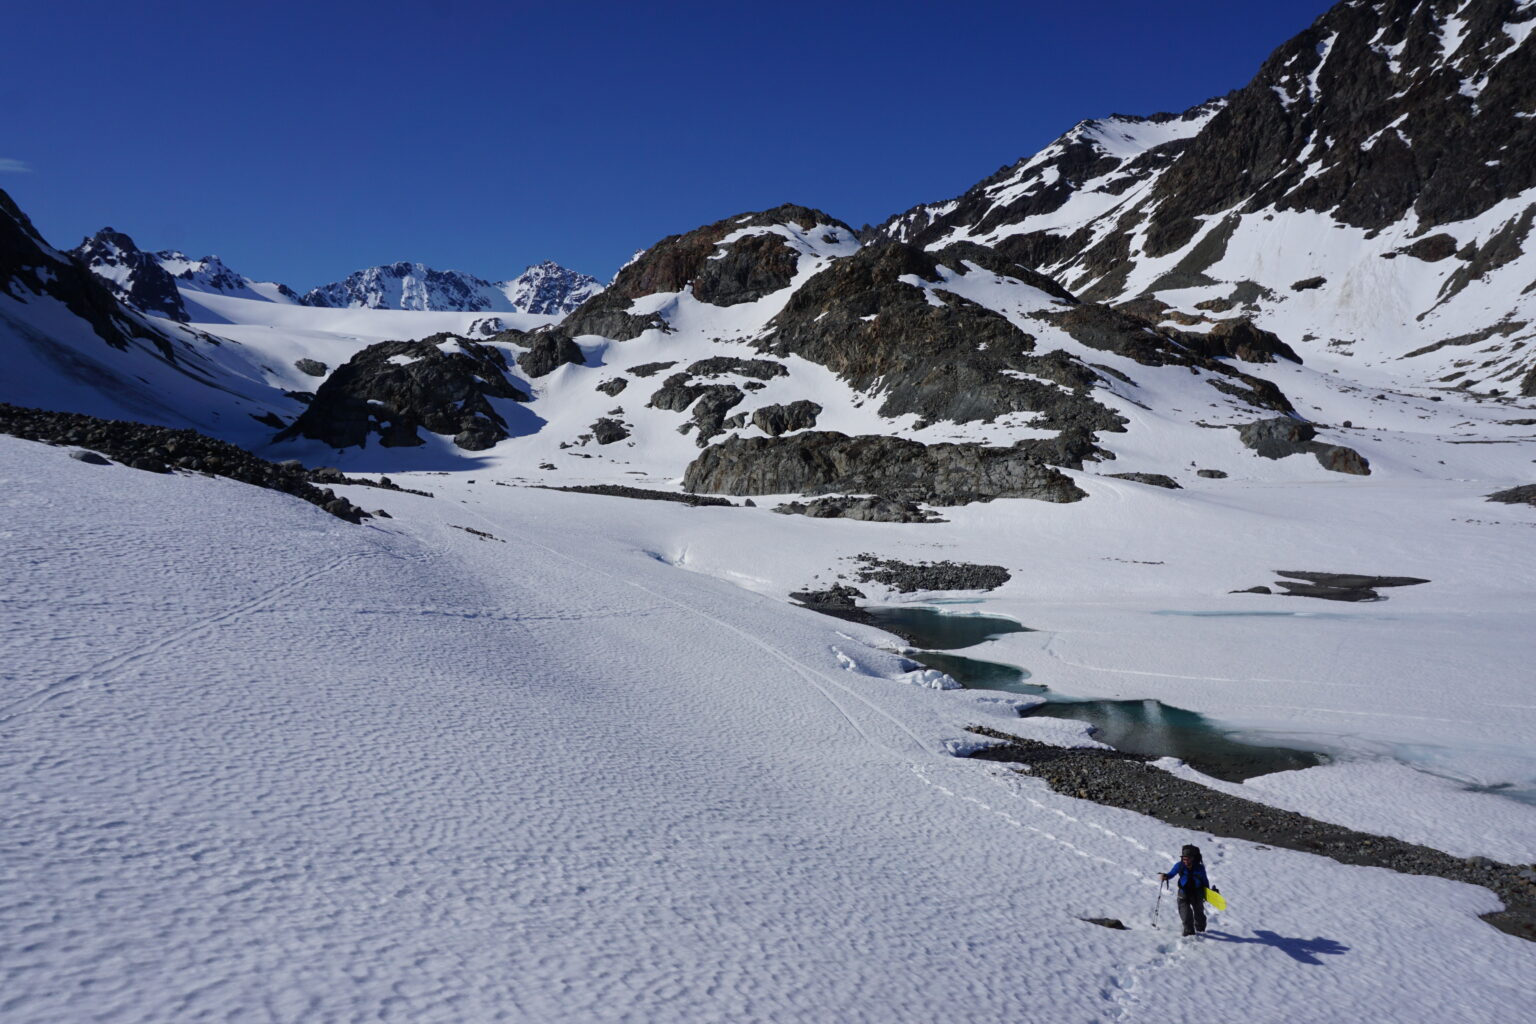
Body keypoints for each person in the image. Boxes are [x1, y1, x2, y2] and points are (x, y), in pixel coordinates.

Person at [1159, 844, 1209, 936]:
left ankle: (1201, 931)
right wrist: (1165, 876)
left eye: (1187, 859)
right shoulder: (1179, 866)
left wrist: (1208, 893)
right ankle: (1189, 933)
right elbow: (1171, 874)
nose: (1185, 861)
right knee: (1186, 916)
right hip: (1183, 894)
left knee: (1199, 916)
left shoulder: (1200, 868)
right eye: (1184, 859)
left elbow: (1205, 881)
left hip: (1197, 894)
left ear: (1193, 858)